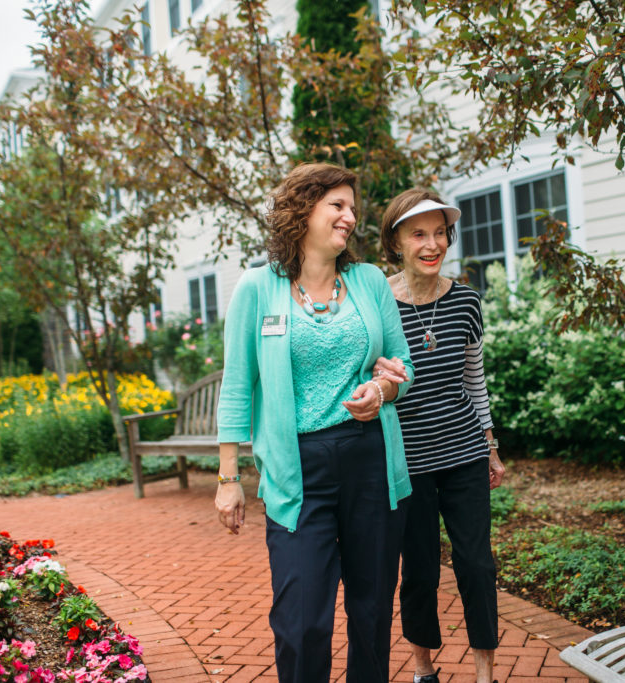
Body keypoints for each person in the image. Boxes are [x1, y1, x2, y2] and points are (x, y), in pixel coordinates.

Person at [214, 163, 415, 683]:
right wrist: (229, 478)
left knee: (372, 612)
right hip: (298, 469)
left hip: (371, 460)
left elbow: (402, 365)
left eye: (353, 208)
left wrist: (382, 389)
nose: (349, 217)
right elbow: (236, 385)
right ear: (303, 210)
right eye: (337, 205)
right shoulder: (258, 288)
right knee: (302, 619)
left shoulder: (369, 281)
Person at [375, 188, 506, 683]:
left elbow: (475, 379)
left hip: (464, 453)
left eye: (440, 233)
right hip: (407, 462)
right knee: (420, 571)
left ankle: (484, 673)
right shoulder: (377, 303)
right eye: (418, 234)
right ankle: (423, 669)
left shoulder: (466, 301)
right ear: (396, 242)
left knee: (477, 565)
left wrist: (491, 447)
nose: (432, 245)